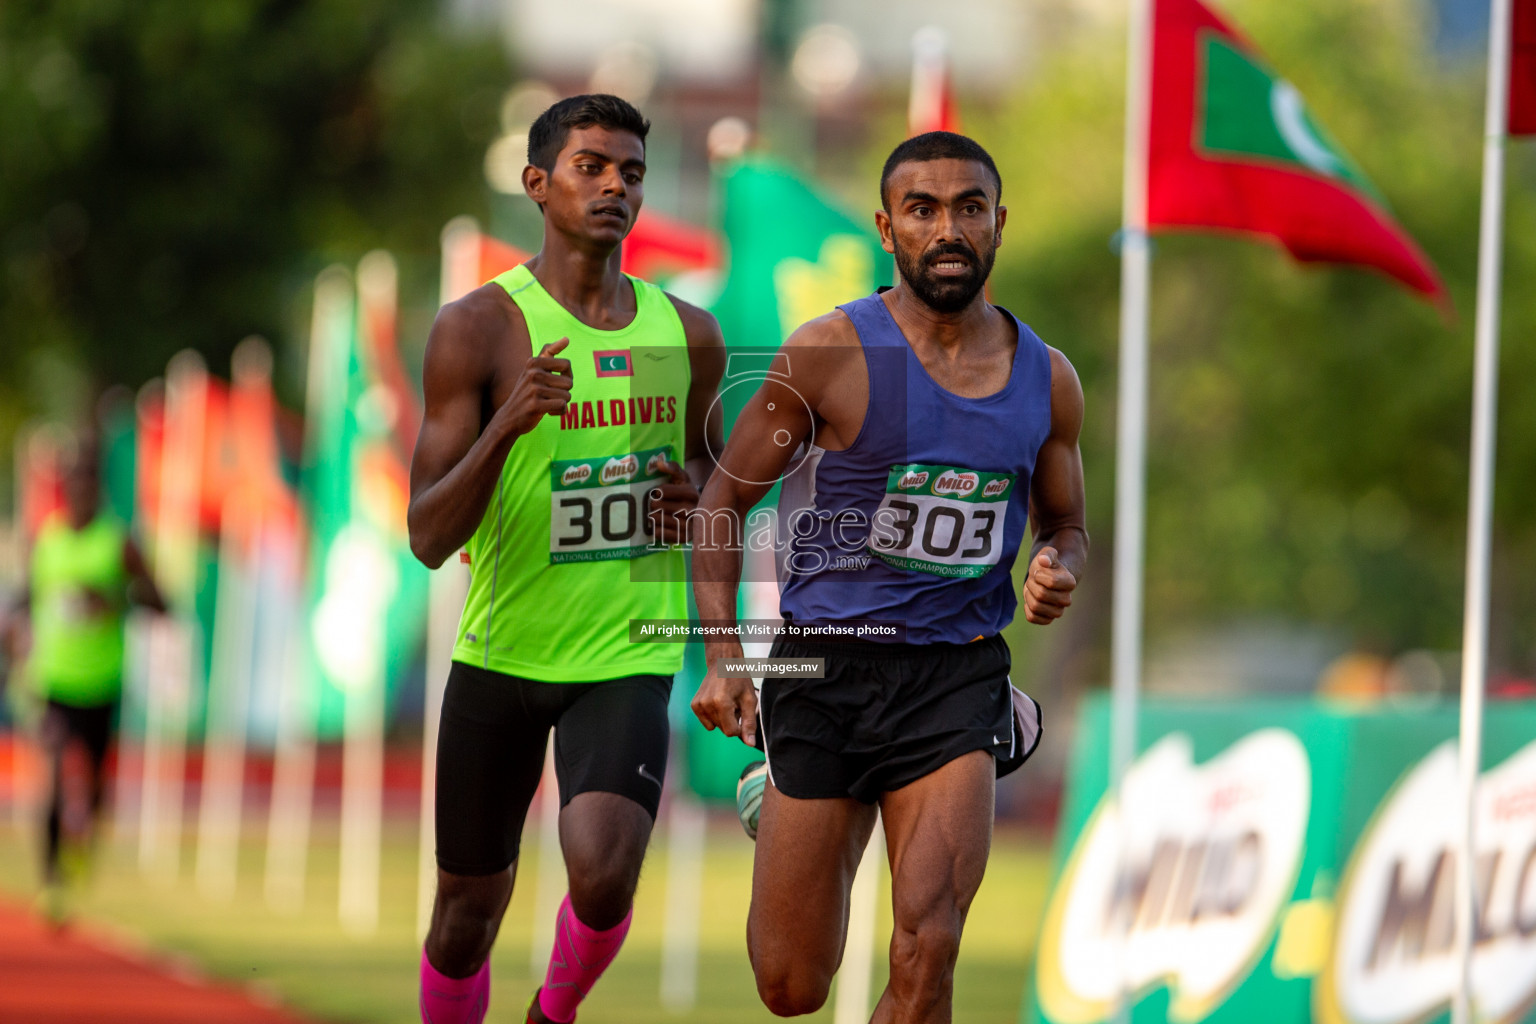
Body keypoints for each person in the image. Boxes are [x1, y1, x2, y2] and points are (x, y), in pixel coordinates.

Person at [690, 131, 1088, 1022]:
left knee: (929, 944)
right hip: (823, 669)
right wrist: (725, 658)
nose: (948, 228)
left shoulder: (1049, 380)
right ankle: (778, 789)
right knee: (791, 987)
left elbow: (1067, 524)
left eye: (969, 208)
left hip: (956, 674)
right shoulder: (829, 351)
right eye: (923, 209)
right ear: (886, 227)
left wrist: (1057, 563)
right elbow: (721, 504)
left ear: (999, 224)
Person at [407, 93, 724, 1024]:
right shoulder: (477, 329)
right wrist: (508, 424)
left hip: (626, 650)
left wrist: (695, 502)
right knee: (465, 917)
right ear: (538, 185)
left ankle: (553, 1013)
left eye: (631, 171)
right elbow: (428, 537)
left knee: (604, 875)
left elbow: (717, 490)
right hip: (502, 655)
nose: (615, 186)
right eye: (592, 167)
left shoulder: (688, 335)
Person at [7, 440, 166, 923]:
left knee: (94, 783)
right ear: (65, 491)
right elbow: (24, 599)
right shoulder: (47, 542)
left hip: (103, 680)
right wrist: (11, 634)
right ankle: (52, 879)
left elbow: (160, 601)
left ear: (98, 491)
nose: (81, 495)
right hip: (54, 680)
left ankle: (83, 843)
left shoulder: (118, 543)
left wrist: (115, 600)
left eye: (89, 486)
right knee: (55, 776)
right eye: (73, 486)